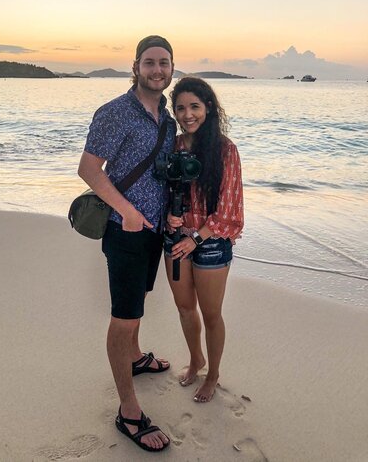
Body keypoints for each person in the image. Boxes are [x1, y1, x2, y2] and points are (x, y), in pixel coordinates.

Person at [78, 35, 176, 452]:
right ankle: (128, 411)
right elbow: (88, 170)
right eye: (150, 62)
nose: (158, 70)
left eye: (164, 63)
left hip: (154, 231)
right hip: (125, 230)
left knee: (138, 301)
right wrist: (128, 211)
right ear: (136, 66)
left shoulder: (168, 118)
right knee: (123, 314)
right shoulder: (115, 112)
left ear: (172, 68)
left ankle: (135, 358)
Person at [164, 76, 244, 403]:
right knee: (185, 308)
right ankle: (196, 359)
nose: (187, 114)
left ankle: (213, 374)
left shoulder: (226, 150)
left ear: (207, 108)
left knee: (211, 314)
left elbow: (229, 208)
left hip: (211, 241)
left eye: (194, 106)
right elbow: (165, 191)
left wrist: (196, 237)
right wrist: (169, 215)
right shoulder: (175, 147)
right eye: (180, 108)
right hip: (176, 238)